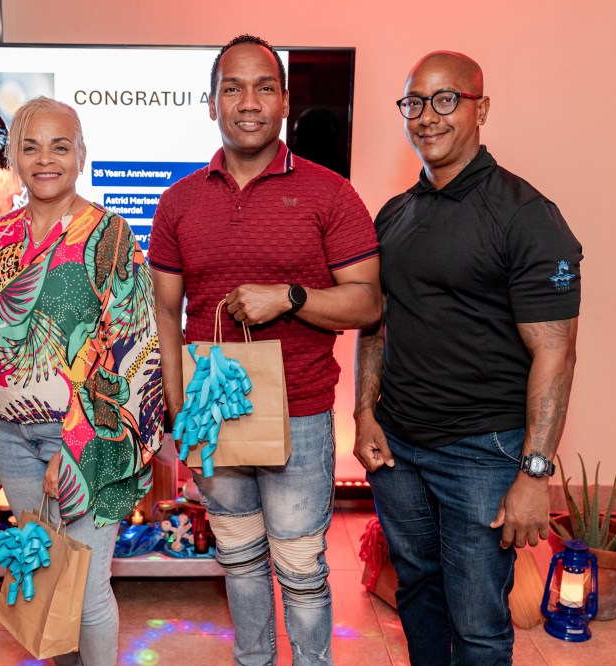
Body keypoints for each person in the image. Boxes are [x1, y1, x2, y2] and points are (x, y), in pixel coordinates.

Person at [150, 35, 381, 666]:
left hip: (300, 415)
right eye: (232, 88)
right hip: (210, 414)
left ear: (283, 102)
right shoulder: (178, 201)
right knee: (239, 559)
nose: (247, 102)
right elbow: (165, 311)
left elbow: (368, 303)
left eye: (263, 87)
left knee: (301, 569)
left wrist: (290, 297)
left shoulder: (331, 194)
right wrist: (178, 407)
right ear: (211, 103)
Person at [354, 51, 582, 665]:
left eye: (446, 99)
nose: (427, 116)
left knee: (478, 621)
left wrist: (535, 474)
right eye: (414, 103)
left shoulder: (526, 216)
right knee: (418, 593)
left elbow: (556, 352)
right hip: (399, 450)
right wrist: (364, 413)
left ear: (481, 109)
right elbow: (375, 323)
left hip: (483, 453)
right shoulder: (395, 214)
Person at [0, 96, 163, 666]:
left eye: (60, 146)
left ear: (82, 154)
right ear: (14, 157)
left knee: (84, 589)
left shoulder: (110, 234)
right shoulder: (1, 232)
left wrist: (77, 446)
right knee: (48, 575)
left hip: (86, 438)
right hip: (11, 436)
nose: (45, 160)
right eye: (30, 147)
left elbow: (132, 347)